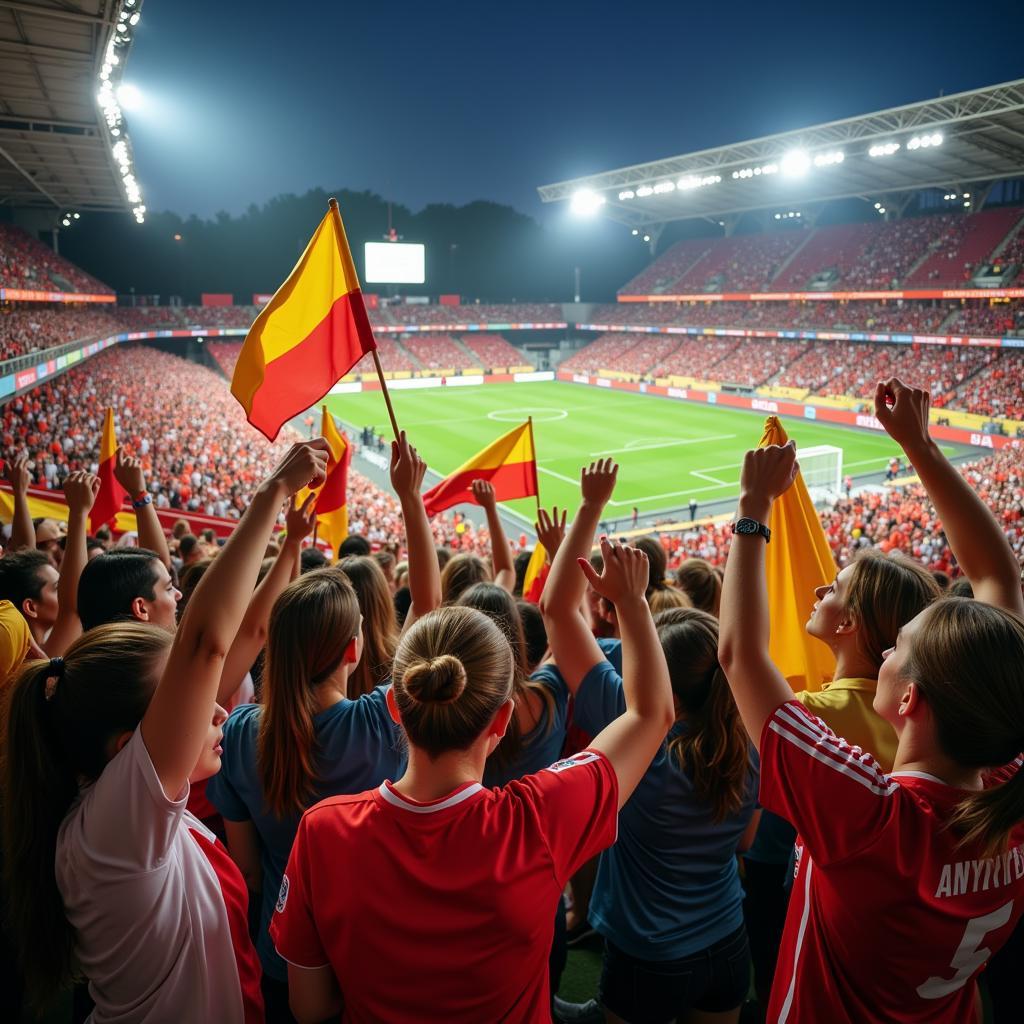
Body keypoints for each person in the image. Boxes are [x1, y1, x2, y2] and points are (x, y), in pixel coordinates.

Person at [718, 379, 1024, 1023]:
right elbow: (997, 577)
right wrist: (919, 445)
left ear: (910, 697)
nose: (884, 653)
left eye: (897, 649)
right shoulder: (1002, 787)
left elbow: (740, 657)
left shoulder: (870, 819)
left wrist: (752, 506)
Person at [270, 538, 674, 1024]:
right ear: (502, 721)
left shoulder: (322, 831)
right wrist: (632, 601)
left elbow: (309, 1007)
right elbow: (652, 714)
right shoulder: (539, 820)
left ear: (396, 707)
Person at [2, 436, 330, 1022]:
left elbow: (224, 639)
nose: (218, 710)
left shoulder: (115, 817)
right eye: (185, 701)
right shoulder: (115, 825)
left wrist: (288, 541)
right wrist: (272, 491)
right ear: (131, 748)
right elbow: (206, 644)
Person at [543, 462, 759, 1024]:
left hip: (648, 953)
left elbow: (558, 611)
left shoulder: (636, 731)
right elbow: (748, 841)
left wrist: (590, 508)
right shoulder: (754, 740)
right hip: (728, 942)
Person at [208, 567, 406, 1020]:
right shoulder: (382, 722)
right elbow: (428, 609)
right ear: (353, 648)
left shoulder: (240, 733)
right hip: (370, 949)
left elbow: (249, 873)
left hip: (280, 952)